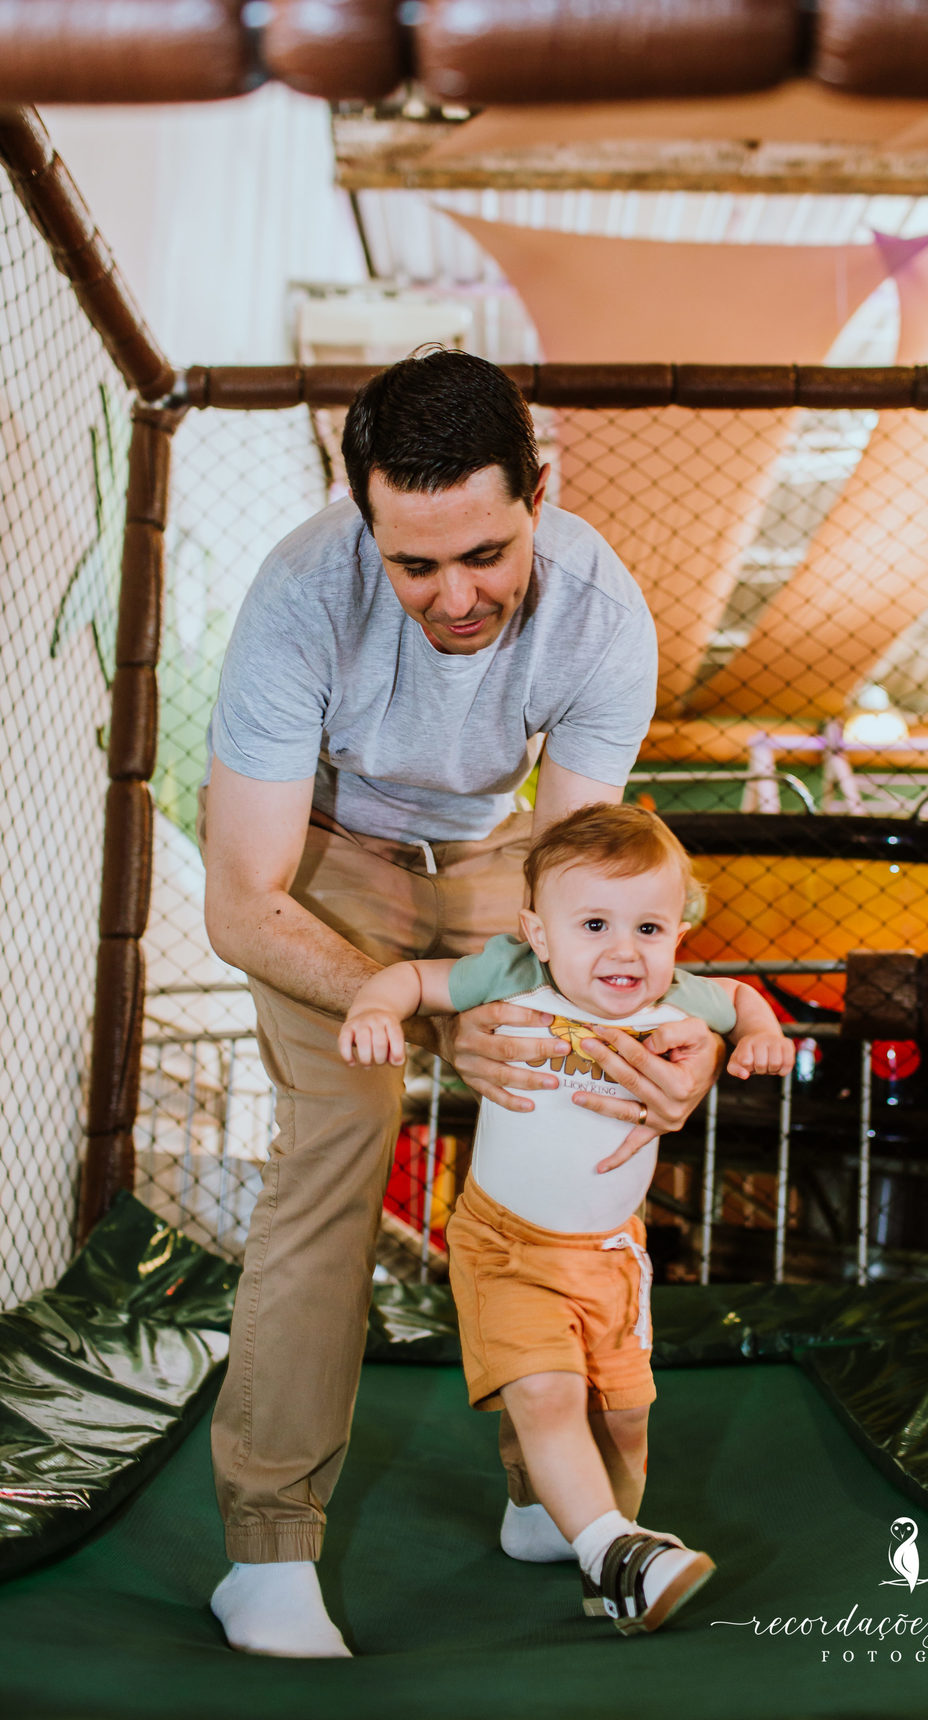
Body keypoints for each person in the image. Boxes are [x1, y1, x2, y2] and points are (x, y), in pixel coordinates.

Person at [201, 350, 723, 1657]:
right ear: (363, 523)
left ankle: (552, 1501)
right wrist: (431, 1015)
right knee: (342, 1139)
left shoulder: (602, 615)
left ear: (537, 494)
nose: (454, 596)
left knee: (564, 1106)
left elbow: (584, 899)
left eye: (484, 553)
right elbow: (241, 900)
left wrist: (656, 1045)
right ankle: (268, 1550)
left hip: (508, 869)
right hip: (330, 869)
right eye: (413, 564)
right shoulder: (299, 595)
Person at [339, 803, 795, 1636]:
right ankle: (618, 1551)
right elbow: (412, 978)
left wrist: (764, 1033)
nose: (624, 950)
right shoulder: (514, 975)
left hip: (613, 1255)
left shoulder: (676, 997)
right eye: (593, 924)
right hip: (508, 1245)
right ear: (537, 932)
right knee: (547, 1395)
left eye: (649, 927)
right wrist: (374, 1010)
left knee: (622, 1419)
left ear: (675, 934)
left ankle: (589, 1545)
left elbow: (740, 996)